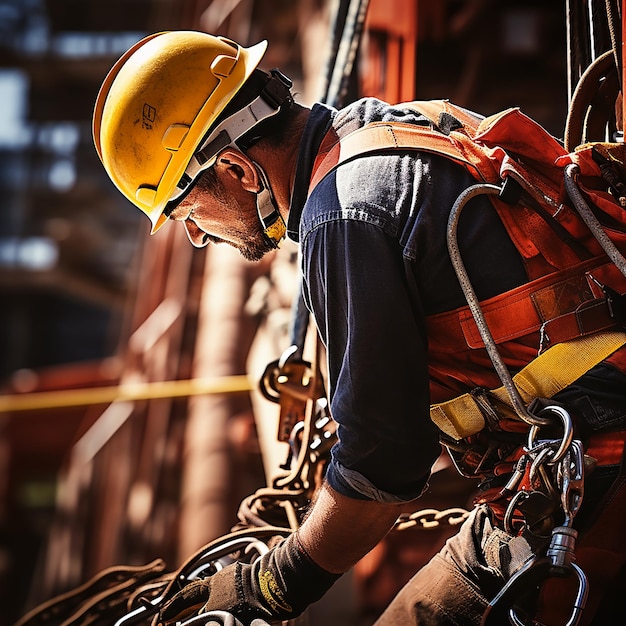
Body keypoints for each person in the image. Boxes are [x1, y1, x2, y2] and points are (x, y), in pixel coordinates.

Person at [93, 31, 626, 626]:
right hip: (570, 445)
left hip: (598, 465)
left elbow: (382, 468)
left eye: (187, 210)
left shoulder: (342, 216)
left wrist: (271, 583)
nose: (194, 235)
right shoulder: (392, 130)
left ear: (239, 170)